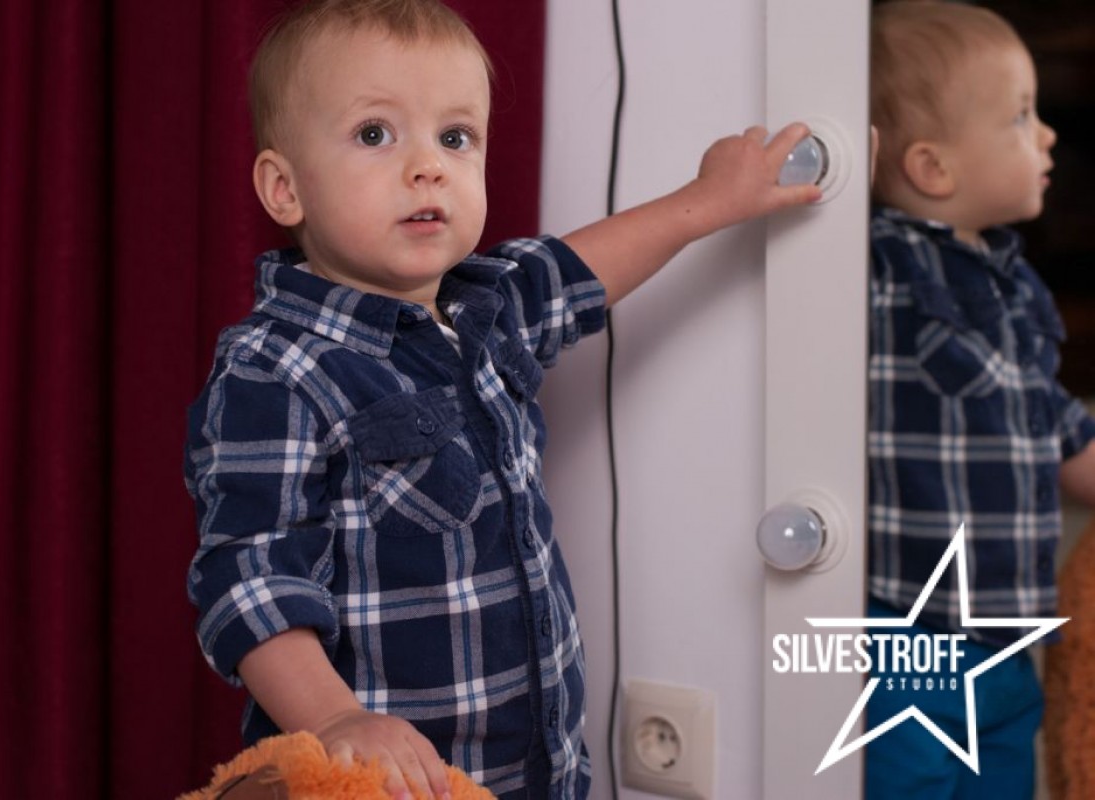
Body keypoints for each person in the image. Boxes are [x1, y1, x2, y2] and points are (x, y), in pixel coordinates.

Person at [184, 1, 819, 798]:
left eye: (455, 138)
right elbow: (250, 577)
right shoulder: (273, 367)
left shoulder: (484, 310)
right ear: (284, 189)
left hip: (534, 772)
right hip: (388, 781)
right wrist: (337, 719)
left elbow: (580, 269)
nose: (428, 166)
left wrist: (711, 199)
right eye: (375, 134)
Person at [866, 2, 1095, 797]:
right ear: (932, 168)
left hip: (1008, 631)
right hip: (910, 629)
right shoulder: (883, 265)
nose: (1047, 135)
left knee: (1003, 779)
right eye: (1021, 116)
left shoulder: (1015, 283)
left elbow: (1053, 422)